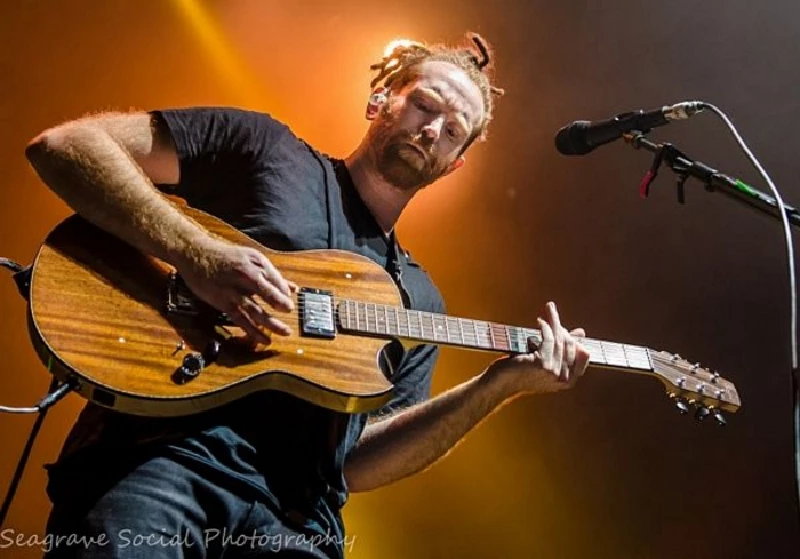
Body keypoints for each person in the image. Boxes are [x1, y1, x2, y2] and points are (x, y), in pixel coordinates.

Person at [24, 33, 590, 558]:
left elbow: (356, 460)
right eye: (425, 105)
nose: (432, 130)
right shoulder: (264, 149)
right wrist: (196, 254)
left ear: (455, 164)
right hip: (159, 460)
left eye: (452, 130)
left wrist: (497, 386)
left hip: (298, 525)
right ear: (379, 100)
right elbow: (68, 147)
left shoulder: (419, 301)